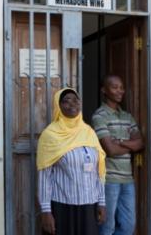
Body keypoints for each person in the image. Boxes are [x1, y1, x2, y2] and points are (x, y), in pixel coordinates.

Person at [37, 88, 107, 235]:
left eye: (75, 100)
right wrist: (45, 211)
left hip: (89, 205)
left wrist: (102, 202)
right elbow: (45, 176)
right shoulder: (50, 135)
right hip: (62, 206)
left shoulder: (89, 132)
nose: (72, 104)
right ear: (58, 106)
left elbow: (99, 171)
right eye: (66, 101)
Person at [92, 76, 143, 235]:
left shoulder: (127, 116)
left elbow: (140, 143)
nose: (120, 91)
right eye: (115, 87)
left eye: (121, 87)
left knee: (128, 227)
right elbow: (110, 150)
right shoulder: (99, 116)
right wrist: (130, 144)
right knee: (107, 227)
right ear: (104, 90)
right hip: (109, 180)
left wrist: (120, 142)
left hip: (127, 180)